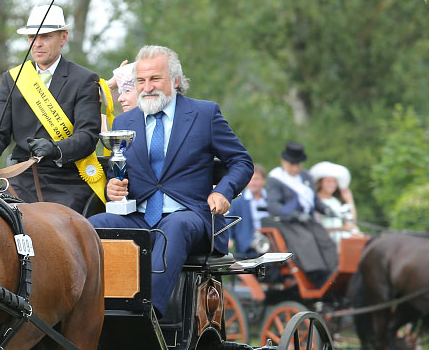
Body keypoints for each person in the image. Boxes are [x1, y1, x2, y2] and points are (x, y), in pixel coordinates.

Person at [87, 45, 253, 317]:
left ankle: (148, 313)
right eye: (141, 80)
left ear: (175, 80)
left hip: (191, 216)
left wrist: (224, 192)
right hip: (138, 215)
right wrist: (113, 186)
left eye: (155, 79)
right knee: (92, 227)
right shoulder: (125, 121)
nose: (147, 87)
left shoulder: (204, 114)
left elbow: (241, 162)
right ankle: (89, 311)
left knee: (172, 227)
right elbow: (120, 173)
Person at [0, 5, 104, 213]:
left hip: (65, 180)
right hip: (21, 177)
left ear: (63, 37)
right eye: (32, 37)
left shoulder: (84, 79)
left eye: (45, 36)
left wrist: (56, 149)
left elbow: (88, 135)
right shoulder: (13, 79)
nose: (37, 44)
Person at [263, 142, 338, 285]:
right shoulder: (275, 179)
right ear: (284, 162)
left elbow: (315, 201)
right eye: (292, 164)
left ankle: (333, 271)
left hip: (307, 220)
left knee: (324, 239)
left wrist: (326, 210)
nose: (295, 168)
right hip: (287, 221)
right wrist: (294, 214)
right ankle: (316, 274)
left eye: (298, 164)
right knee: (306, 239)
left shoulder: (306, 177)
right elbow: (274, 206)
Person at [309, 161, 356, 243]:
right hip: (324, 243)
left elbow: (351, 222)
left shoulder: (336, 202)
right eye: (329, 181)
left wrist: (349, 200)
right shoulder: (317, 202)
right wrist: (340, 228)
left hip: (341, 242)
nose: (332, 184)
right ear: (321, 182)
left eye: (334, 181)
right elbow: (316, 229)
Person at [228, 164, 269, 259]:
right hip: (248, 246)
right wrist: (228, 239)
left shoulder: (270, 199)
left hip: (270, 242)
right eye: (250, 179)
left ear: (264, 181)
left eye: (256, 179)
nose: (253, 183)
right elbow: (228, 222)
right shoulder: (238, 202)